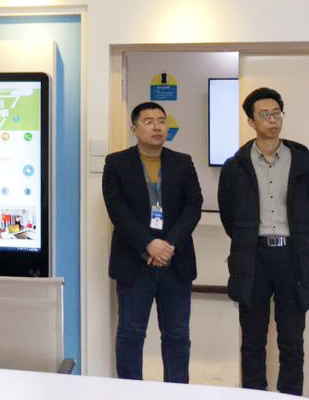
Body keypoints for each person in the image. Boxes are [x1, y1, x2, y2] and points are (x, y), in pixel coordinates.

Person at [102, 101, 203, 383]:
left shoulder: (183, 162)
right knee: (131, 334)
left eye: (161, 120)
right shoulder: (116, 163)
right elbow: (118, 210)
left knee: (177, 335)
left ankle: (176, 391)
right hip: (134, 263)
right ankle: (130, 391)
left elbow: (193, 207)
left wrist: (167, 245)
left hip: (175, 262)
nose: (157, 126)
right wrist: (149, 244)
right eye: (148, 121)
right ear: (134, 129)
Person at [219, 87, 309, 395]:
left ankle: (290, 395)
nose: (273, 120)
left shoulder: (303, 160)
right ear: (251, 121)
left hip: (292, 258)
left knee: (292, 339)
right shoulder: (235, 166)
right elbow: (229, 215)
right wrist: (246, 242)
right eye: (265, 115)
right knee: (253, 338)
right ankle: (253, 394)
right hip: (253, 257)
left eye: (277, 113)